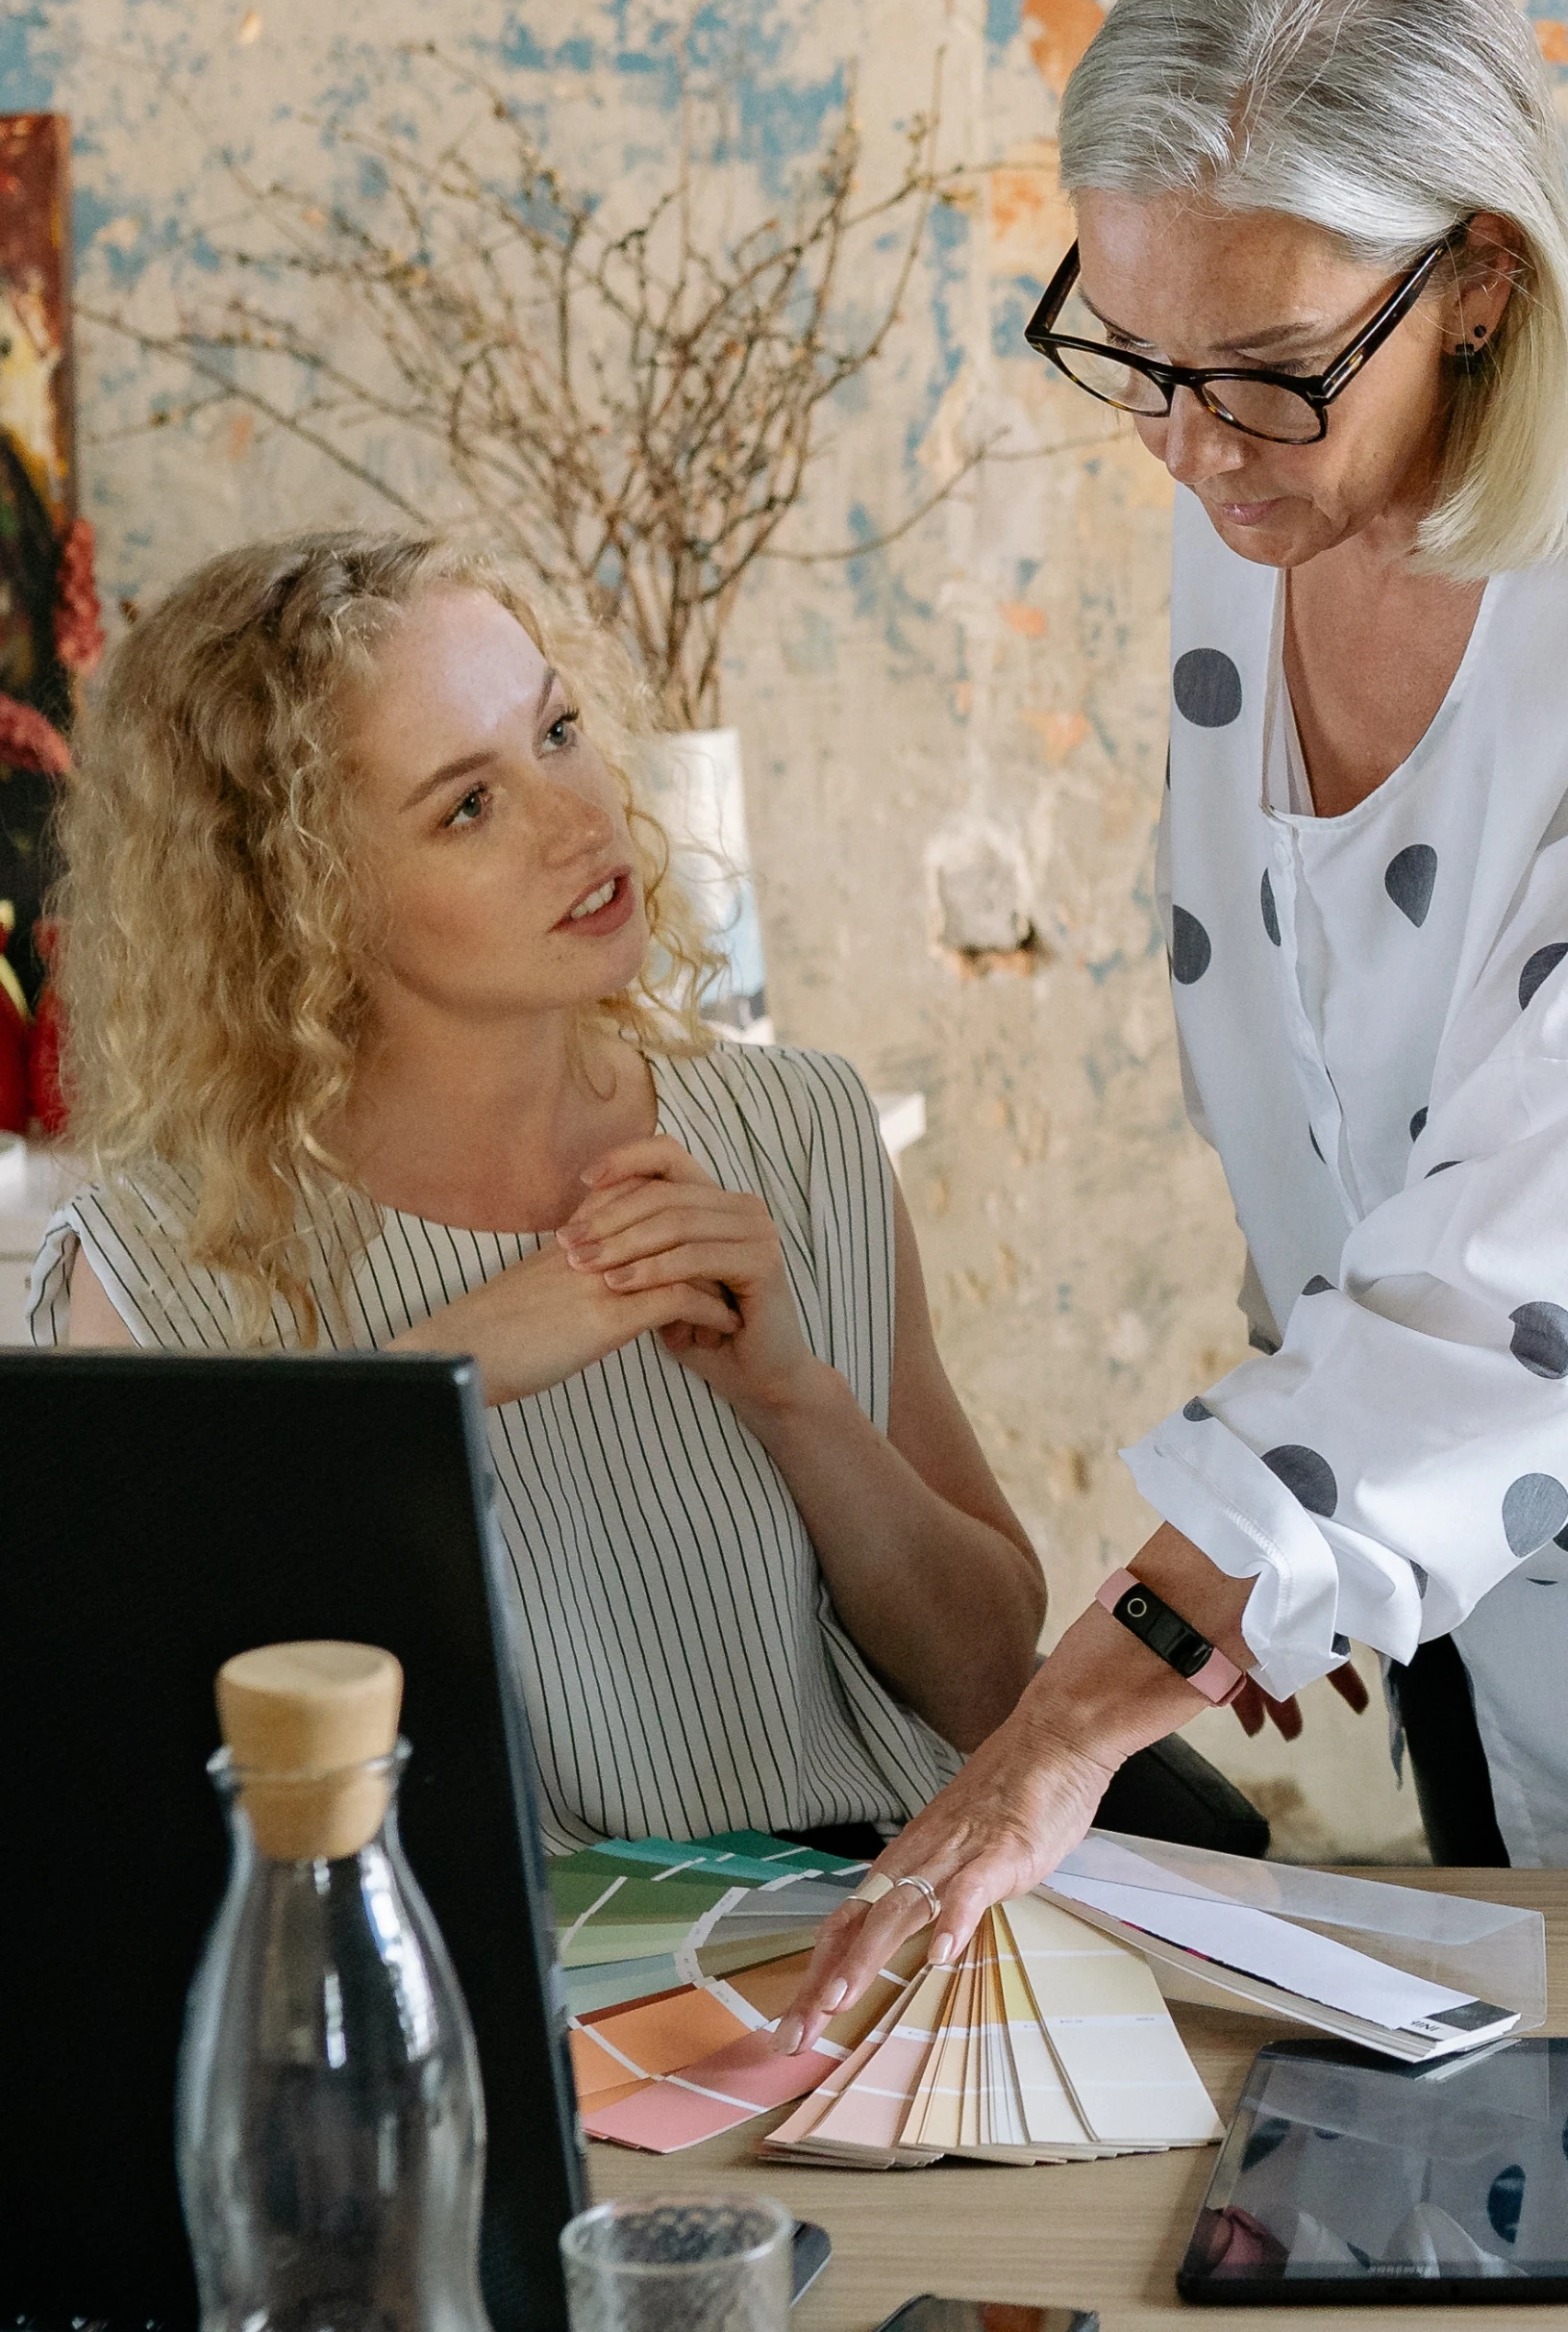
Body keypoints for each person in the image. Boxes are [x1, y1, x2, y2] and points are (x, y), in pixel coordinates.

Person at [796, 0, 1568, 2026]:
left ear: (1480, 280)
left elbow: (1549, 1226)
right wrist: (1300, 1531)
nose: (1186, 443)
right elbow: (1332, 1063)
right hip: (1465, 1567)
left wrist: (1128, 1670)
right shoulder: (1256, 487)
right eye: (1136, 355)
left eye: (1260, 370)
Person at [33, 532, 1046, 1852]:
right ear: (307, 905)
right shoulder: (160, 1265)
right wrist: (425, 1388)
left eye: (559, 730)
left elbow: (987, 1688)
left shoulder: (801, 1129)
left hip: (884, 1952)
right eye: (468, 803)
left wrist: (797, 1400)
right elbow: (149, 1787)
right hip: (487, 2009)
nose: (582, 819)